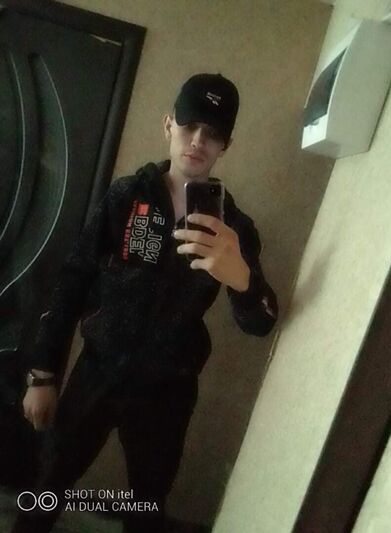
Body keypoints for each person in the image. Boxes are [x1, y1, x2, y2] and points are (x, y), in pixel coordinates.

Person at [12, 73, 278, 533]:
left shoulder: (233, 227)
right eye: (189, 125)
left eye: (213, 133)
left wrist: (242, 279)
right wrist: (43, 373)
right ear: (168, 124)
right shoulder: (126, 196)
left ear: (226, 146)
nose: (198, 141)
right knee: (49, 483)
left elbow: (261, 322)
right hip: (98, 370)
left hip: (168, 389)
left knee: (146, 505)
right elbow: (73, 281)